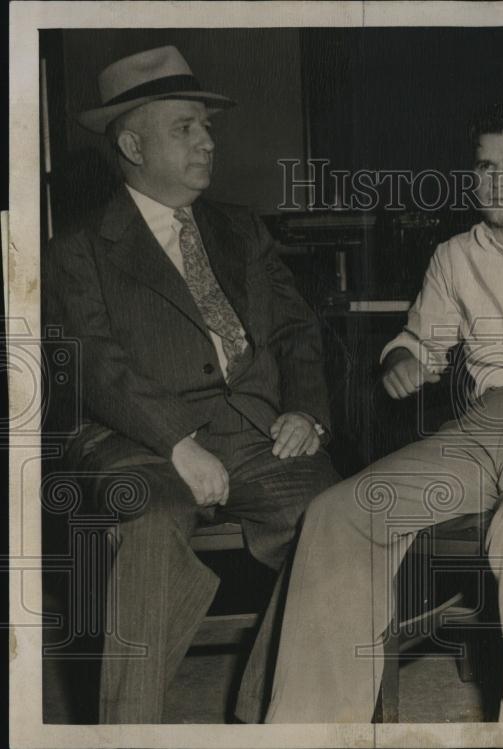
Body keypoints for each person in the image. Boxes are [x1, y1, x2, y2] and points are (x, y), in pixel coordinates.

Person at [236, 103, 503, 723]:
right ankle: (310, 729)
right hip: (484, 425)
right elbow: (422, 339)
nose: (496, 182)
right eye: (485, 167)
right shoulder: (453, 256)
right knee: (340, 511)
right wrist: (403, 360)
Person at [45, 46, 337, 723]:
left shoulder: (243, 229)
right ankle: (126, 728)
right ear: (132, 145)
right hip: (137, 440)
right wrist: (177, 442)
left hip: (257, 434)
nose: (207, 140)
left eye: (206, 126)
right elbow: (96, 363)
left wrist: (305, 410)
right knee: (148, 522)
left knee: (336, 517)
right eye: (184, 128)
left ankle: (269, 706)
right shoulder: (77, 251)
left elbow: (297, 329)